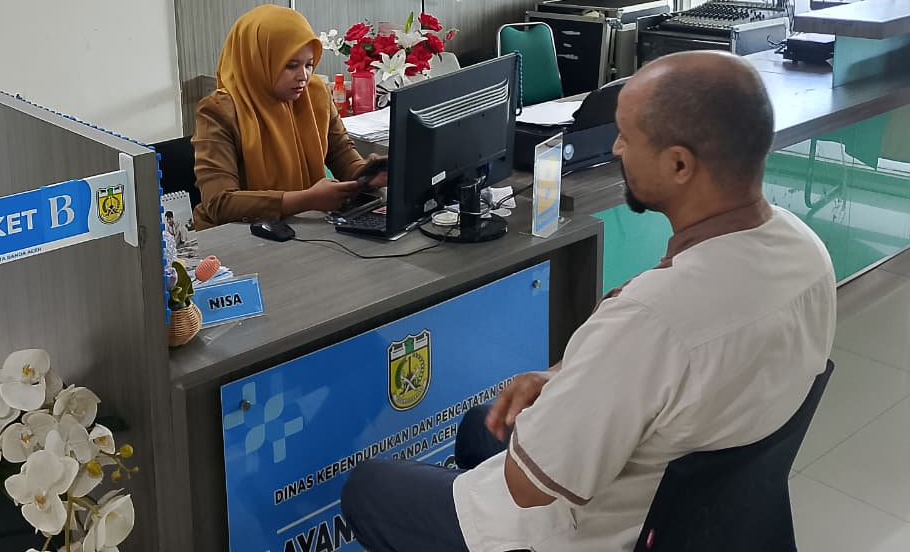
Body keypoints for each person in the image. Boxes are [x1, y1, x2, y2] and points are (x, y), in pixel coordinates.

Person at [341, 50, 836, 552]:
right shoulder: (805, 251)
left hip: (599, 532)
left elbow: (527, 488)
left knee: (370, 488)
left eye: (628, 136)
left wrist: (569, 389)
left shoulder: (652, 319)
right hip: (707, 510)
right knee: (479, 427)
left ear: (679, 164)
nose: (617, 147)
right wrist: (563, 378)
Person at [191, 4, 385, 230]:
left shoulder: (315, 94)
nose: (303, 76)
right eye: (291, 66)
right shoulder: (218, 111)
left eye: (309, 64)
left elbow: (342, 153)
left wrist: (366, 175)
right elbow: (219, 203)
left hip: (302, 227)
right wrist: (307, 200)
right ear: (258, 61)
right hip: (238, 236)